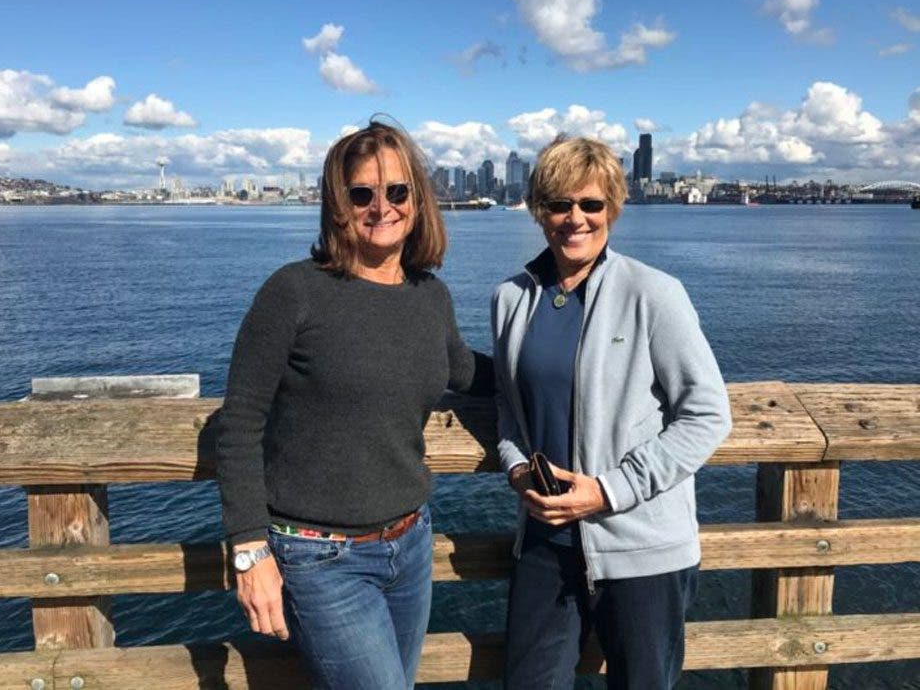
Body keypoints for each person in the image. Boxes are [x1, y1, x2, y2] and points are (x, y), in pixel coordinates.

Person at [214, 119, 492, 689]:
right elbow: (239, 423)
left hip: (411, 545)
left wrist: (554, 368)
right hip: (319, 558)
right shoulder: (294, 292)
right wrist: (249, 551)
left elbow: (463, 370)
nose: (380, 207)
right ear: (338, 205)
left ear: (417, 199)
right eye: (361, 193)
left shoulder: (428, 296)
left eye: (397, 192)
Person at [492, 135, 732, 689]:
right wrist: (516, 468)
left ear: (613, 210)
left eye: (591, 204)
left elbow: (707, 413)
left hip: (642, 549)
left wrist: (609, 491)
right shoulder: (510, 298)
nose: (575, 219)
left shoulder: (655, 293)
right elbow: (509, 407)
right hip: (546, 545)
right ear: (538, 212)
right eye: (558, 204)